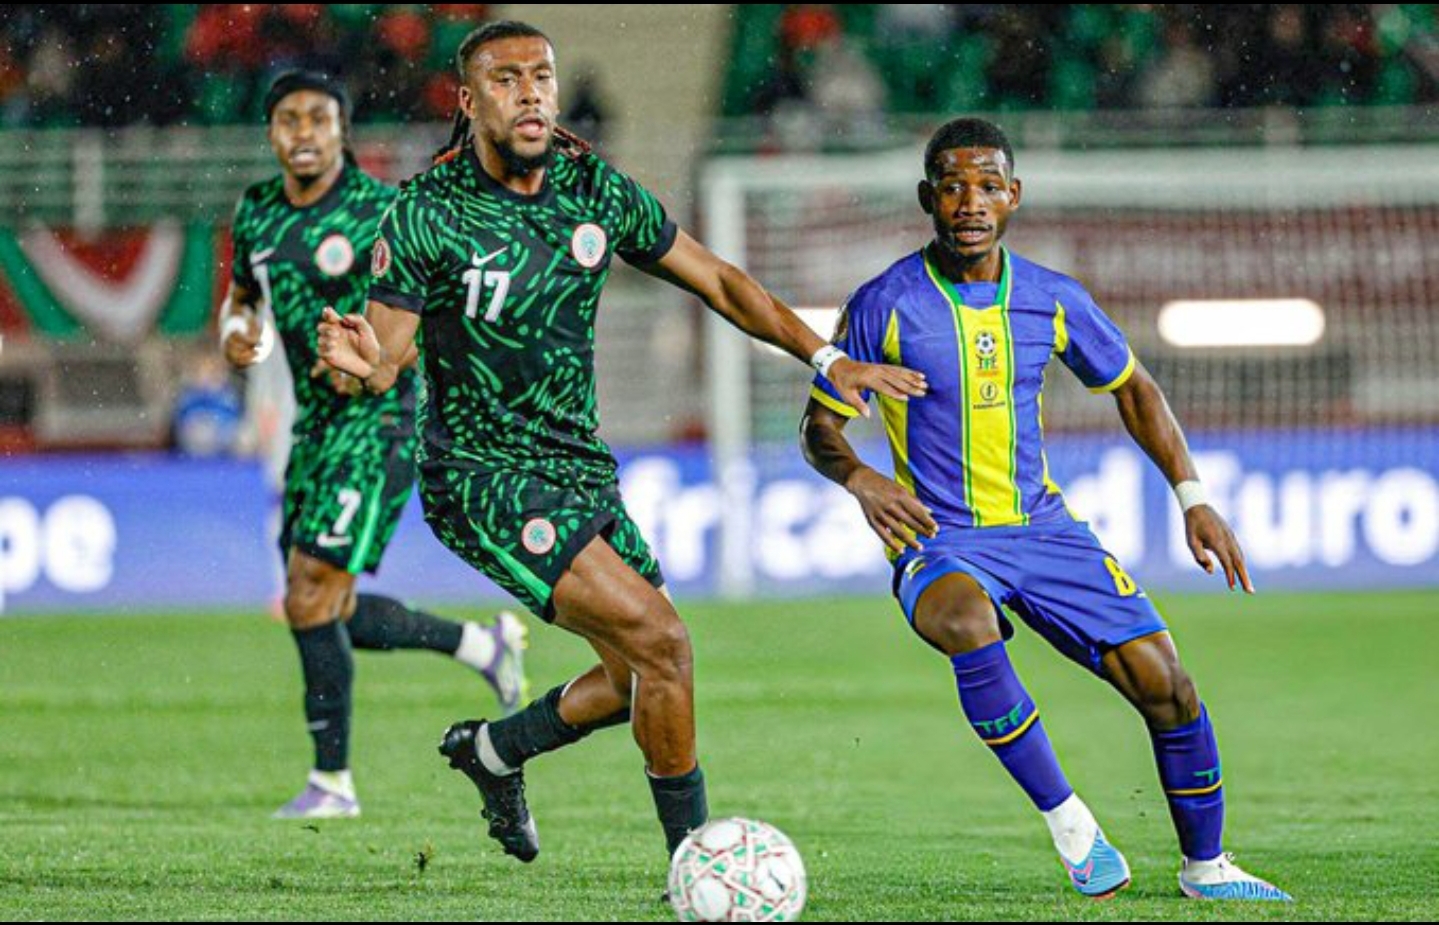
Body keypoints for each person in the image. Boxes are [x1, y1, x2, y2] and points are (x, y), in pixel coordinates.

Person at [316, 20, 927, 865]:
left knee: (637, 677)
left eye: (541, 75)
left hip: (578, 469)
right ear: (467, 100)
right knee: (665, 644)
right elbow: (383, 358)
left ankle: (493, 750)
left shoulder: (591, 188)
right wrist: (358, 368)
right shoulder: (427, 212)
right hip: (482, 477)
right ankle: (695, 866)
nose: (529, 92)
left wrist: (825, 357)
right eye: (504, 79)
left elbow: (716, 280)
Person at [799, 118, 1292, 902]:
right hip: (939, 535)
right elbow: (818, 428)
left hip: (1045, 532)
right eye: (952, 186)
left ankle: (1206, 868)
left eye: (988, 186)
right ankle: (1070, 824)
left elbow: (1133, 388)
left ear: (1013, 196)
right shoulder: (883, 304)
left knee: (1167, 684)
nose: (970, 202)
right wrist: (858, 476)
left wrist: (1191, 497)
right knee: (965, 620)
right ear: (927, 197)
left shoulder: (1050, 298)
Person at [220, 70, 528, 821]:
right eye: (288, 119)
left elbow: (436, 312)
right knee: (325, 605)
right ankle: (481, 645)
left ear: (342, 131)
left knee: (308, 593)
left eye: (318, 118)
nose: (303, 132)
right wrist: (237, 334)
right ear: (271, 133)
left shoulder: (382, 211)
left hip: (379, 419)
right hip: (313, 428)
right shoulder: (257, 211)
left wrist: (380, 361)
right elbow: (244, 298)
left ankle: (333, 783)